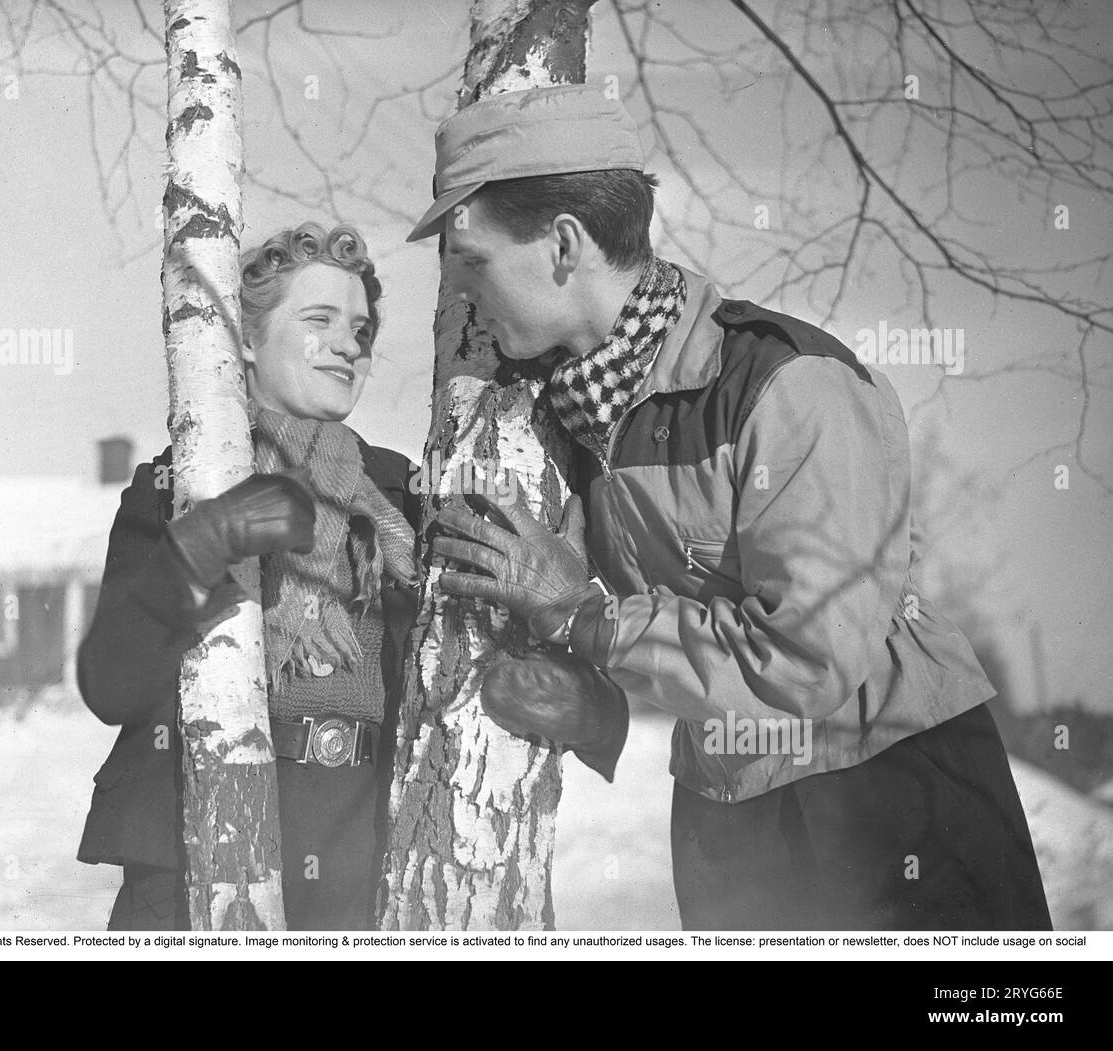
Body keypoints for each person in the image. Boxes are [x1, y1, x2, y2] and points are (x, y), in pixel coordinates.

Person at [409, 84, 1052, 930]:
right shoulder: (570, 414)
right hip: (727, 819)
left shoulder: (790, 385)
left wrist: (582, 614)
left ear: (563, 244)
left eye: (472, 260)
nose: (456, 291)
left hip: (889, 796)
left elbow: (805, 662)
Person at [75, 222, 422, 930]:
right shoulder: (182, 484)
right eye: (318, 319)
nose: (350, 343)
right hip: (195, 862)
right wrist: (208, 539)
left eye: (359, 327)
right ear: (244, 340)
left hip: (360, 865)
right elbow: (112, 683)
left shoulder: (402, 496)